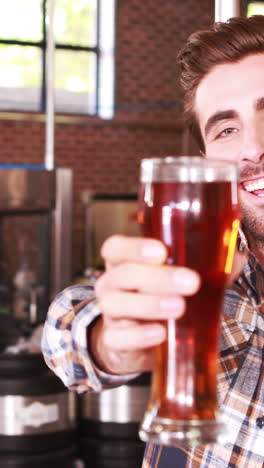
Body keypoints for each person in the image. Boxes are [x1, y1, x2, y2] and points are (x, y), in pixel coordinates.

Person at [42, 15, 264, 467]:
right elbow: (69, 329)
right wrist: (113, 341)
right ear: (206, 164)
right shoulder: (204, 274)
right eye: (227, 129)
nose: (253, 147)